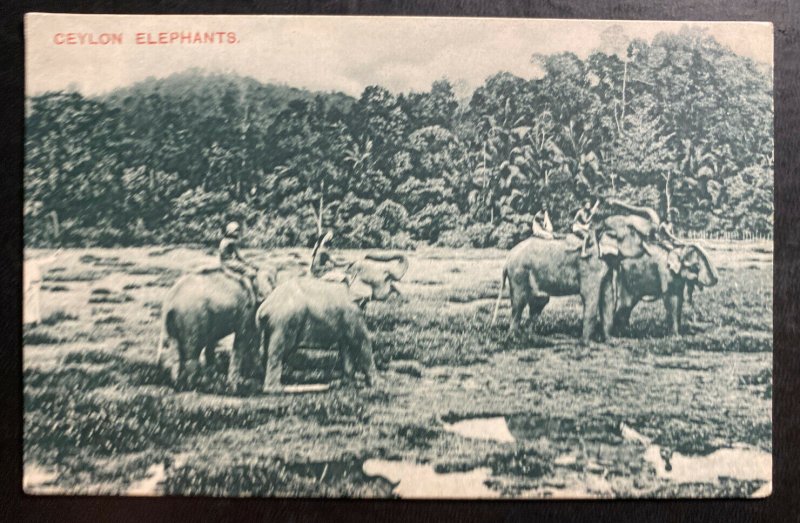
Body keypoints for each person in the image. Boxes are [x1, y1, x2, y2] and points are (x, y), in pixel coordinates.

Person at [219, 221, 259, 304]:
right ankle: (255, 296)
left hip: (223, 262)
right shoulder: (232, 242)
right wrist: (251, 264)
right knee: (252, 273)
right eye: (236, 231)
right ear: (231, 231)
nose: (238, 233)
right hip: (230, 262)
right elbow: (239, 257)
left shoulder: (223, 240)